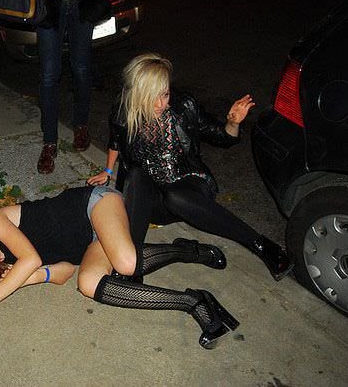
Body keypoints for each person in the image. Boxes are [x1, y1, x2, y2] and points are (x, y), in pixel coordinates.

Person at [0, 186, 239, 349]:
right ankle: (193, 300)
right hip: (92, 243)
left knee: (126, 263)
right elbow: (64, 272)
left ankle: (188, 250)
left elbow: (31, 258)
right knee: (88, 284)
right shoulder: (11, 270)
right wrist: (26, 279)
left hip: (93, 205)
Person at [87, 53, 293, 281]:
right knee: (136, 175)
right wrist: (107, 171)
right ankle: (133, 261)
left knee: (175, 196)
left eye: (165, 94)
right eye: (152, 96)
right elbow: (116, 141)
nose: (160, 104)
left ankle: (262, 246)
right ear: (137, 94)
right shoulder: (123, 111)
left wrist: (232, 123)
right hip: (153, 198)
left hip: (190, 188)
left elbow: (220, 135)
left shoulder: (184, 106)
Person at [35, 0, 111, 174]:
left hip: (82, 2)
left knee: (81, 68)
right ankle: (49, 142)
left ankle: (81, 125)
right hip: (48, 2)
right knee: (49, 75)